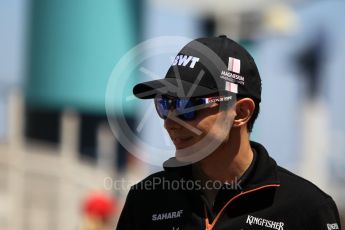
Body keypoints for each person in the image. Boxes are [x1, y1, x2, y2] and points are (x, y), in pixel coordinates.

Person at [116, 35, 341, 229]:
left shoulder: (307, 208)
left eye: (187, 106)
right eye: (165, 104)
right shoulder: (147, 199)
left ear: (241, 112)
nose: (169, 123)